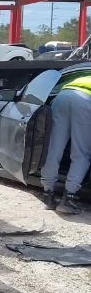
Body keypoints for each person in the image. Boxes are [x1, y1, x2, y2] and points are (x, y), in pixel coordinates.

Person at [40, 74, 91, 213]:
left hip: (62, 97)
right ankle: (68, 199)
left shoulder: (83, 76)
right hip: (85, 101)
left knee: (53, 149)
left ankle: (48, 195)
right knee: (81, 153)